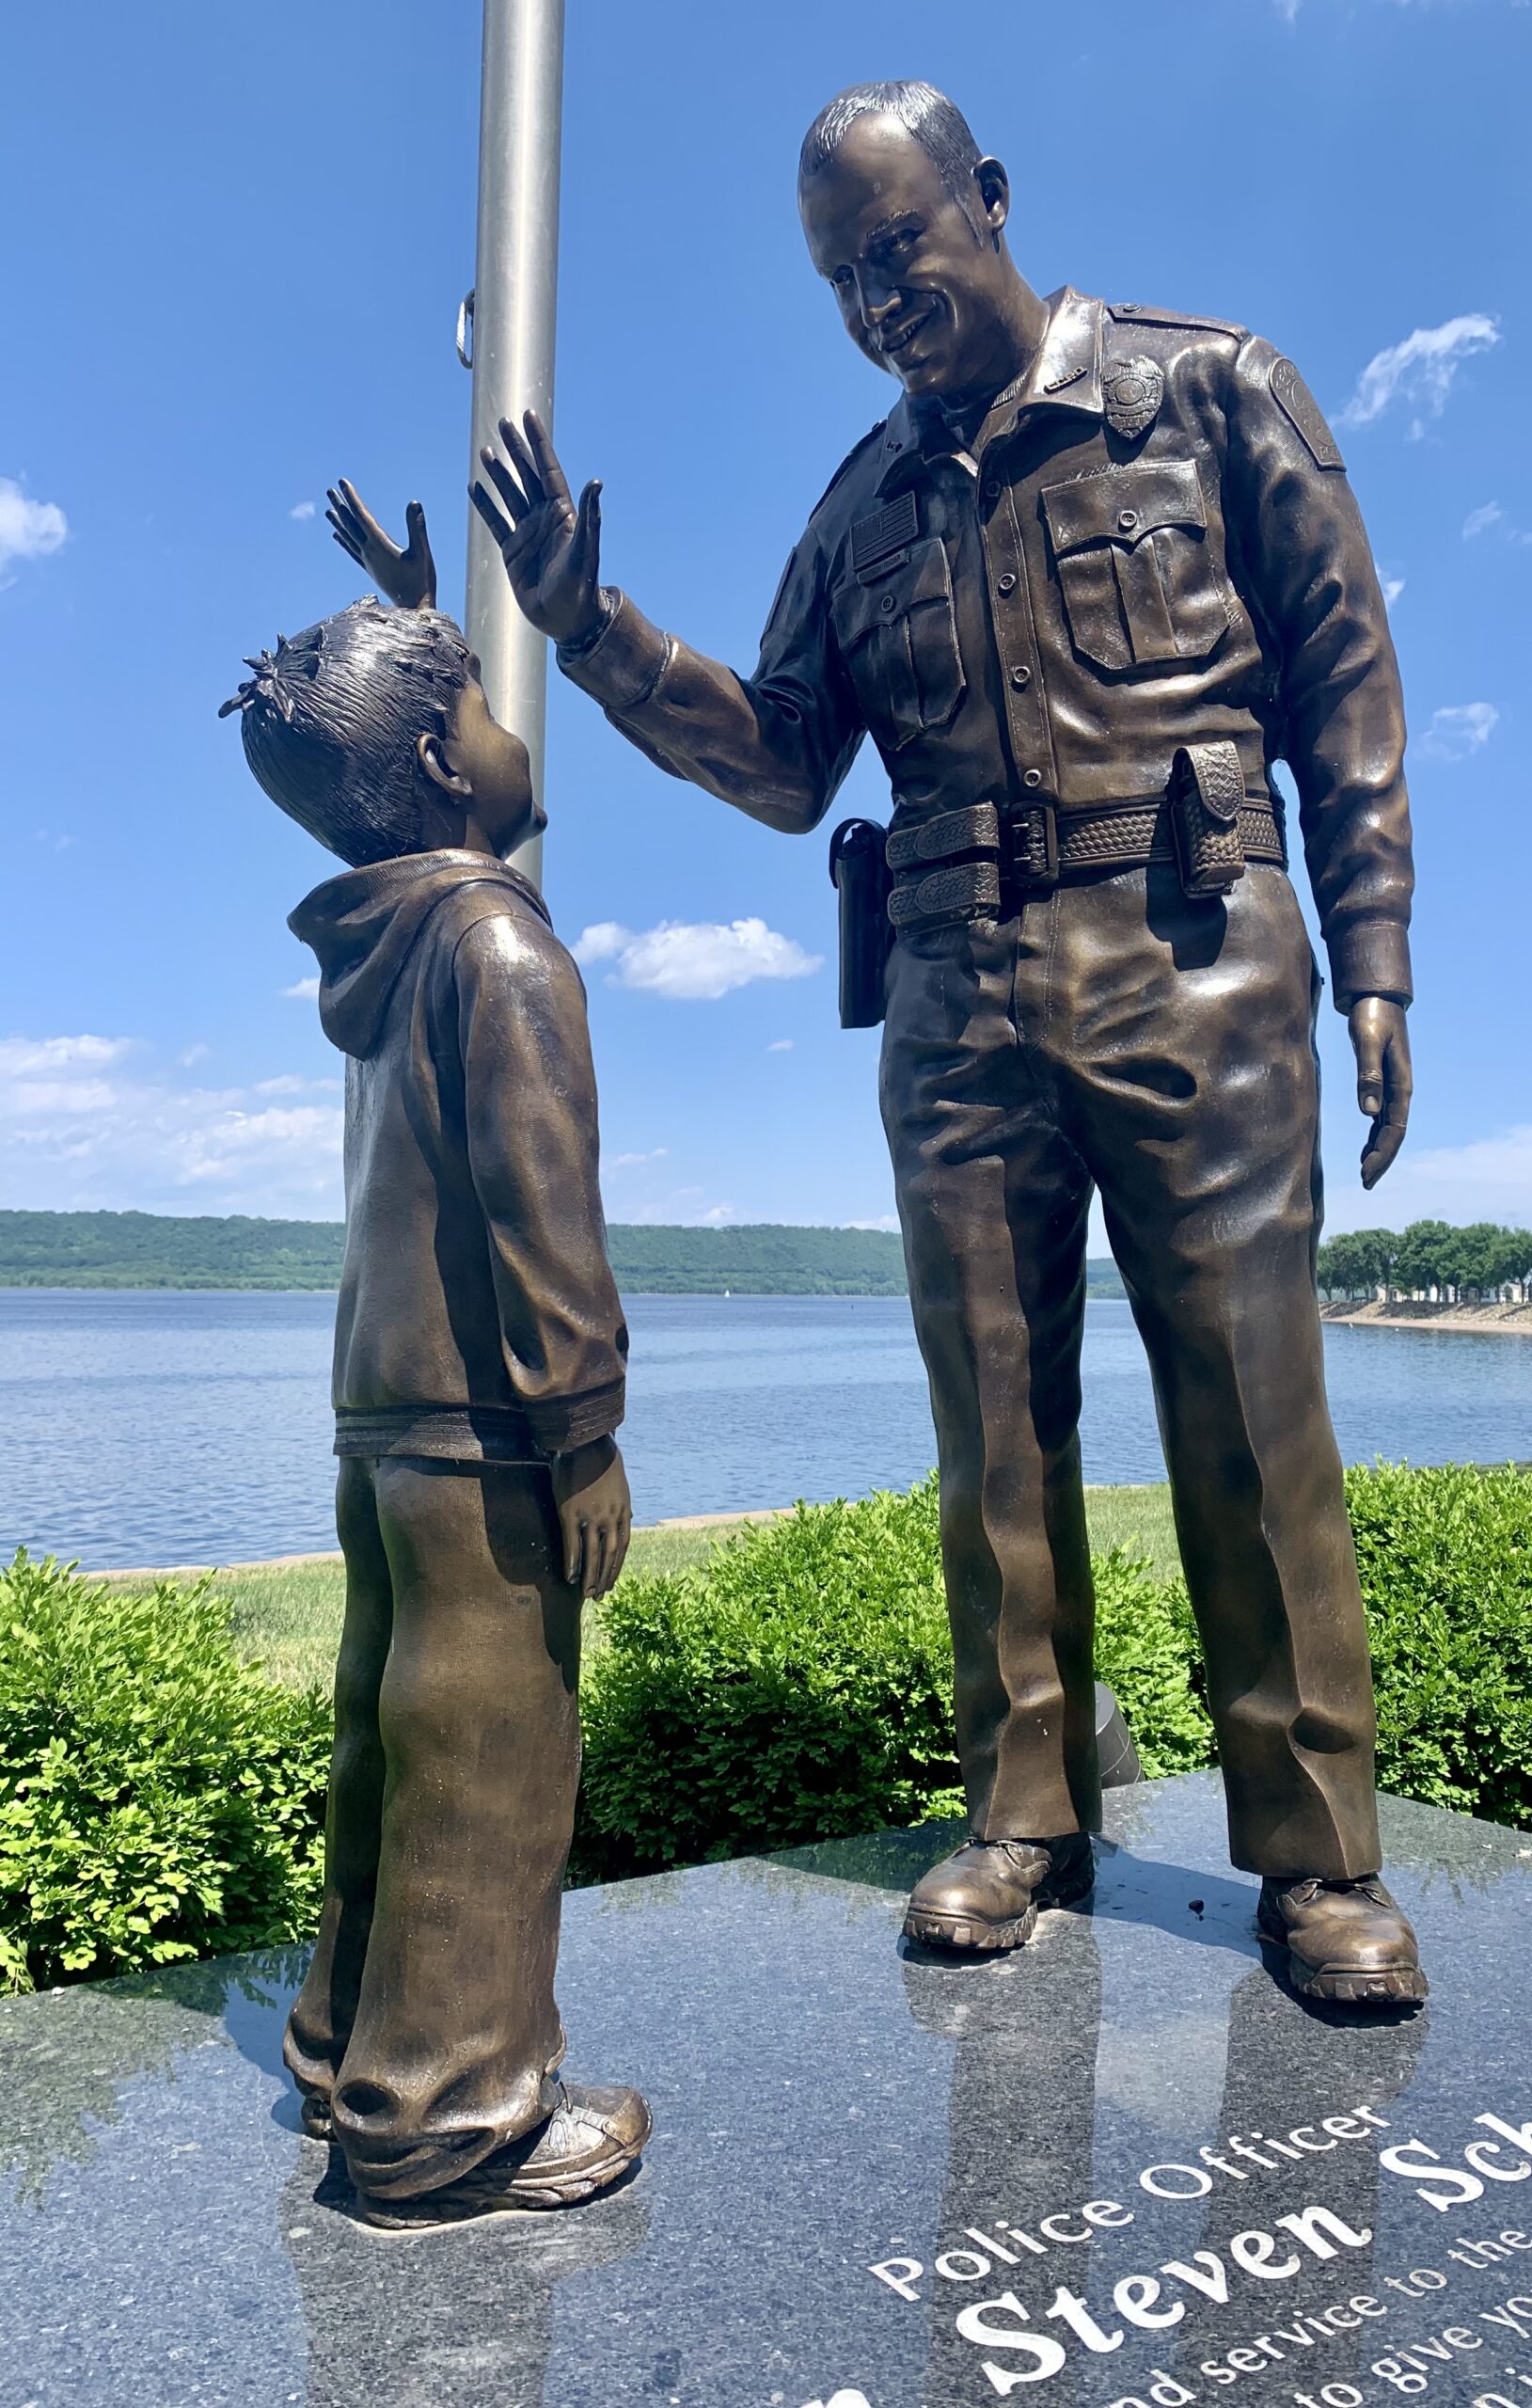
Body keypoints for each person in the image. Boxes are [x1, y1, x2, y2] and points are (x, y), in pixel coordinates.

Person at [470, 81, 1426, 2006]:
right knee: (990, 1418)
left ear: (989, 201)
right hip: (956, 991)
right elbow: (777, 756)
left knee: (1248, 1413)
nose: (877, 296)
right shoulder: (859, 509)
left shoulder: (1215, 389)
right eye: (842, 275)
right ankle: (1022, 1806)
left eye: (899, 244)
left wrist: (1377, 948)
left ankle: (1317, 1854)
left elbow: (1345, 679)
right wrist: (592, 632)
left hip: (1203, 957)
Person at [222, 493, 652, 2224]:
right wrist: (588, 1429)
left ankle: (349, 2051)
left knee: (385, 1739)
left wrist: (406, 606)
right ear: (439, 757)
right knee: (487, 1752)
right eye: (480, 701)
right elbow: (539, 1206)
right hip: (487, 1432)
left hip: (382, 1415)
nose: (512, 725)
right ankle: (447, 2117)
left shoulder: (387, 943)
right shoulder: (496, 943)